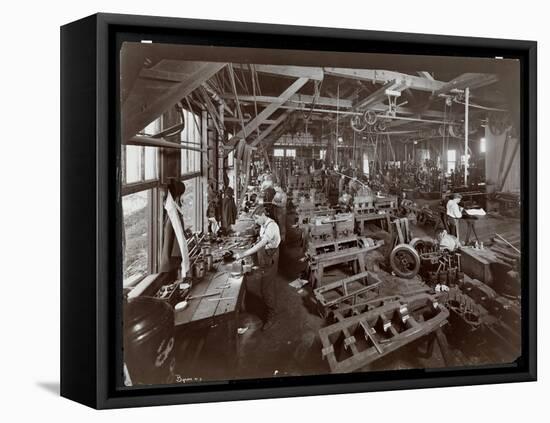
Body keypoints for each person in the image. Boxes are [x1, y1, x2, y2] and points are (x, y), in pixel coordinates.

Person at [234, 205, 281, 331]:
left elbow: (261, 243)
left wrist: (244, 254)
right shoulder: (264, 224)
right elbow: (258, 235)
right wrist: (242, 234)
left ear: (263, 215)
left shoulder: (272, 226)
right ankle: (269, 309)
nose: (256, 221)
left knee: (267, 289)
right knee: (264, 287)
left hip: (270, 258)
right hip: (265, 257)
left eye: (256, 218)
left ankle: (272, 317)